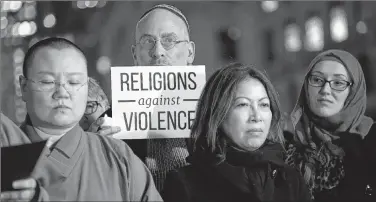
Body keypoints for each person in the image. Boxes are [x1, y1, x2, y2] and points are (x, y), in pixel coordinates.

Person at [0, 37, 162, 201]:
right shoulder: (6, 153)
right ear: (24, 87)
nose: (62, 92)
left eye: (74, 82)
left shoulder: (117, 155)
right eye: (47, 81)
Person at [162, 63, 311, 202]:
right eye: (243, 104)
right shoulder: (185, 183)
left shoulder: (290, 179)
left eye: (264, 104)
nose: (256, 116)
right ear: (217, 114)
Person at [284, 49, 376, 202]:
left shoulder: (371, 140)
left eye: (338, 83)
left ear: (353, 90)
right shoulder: (289, 151)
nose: (325, 90)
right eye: (317, 80)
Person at [127, 3, 196, 192]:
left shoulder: (217, 118)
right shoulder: (113, 125)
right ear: (135, 55)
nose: (157, 52)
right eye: (148, 41)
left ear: (190, 52)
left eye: (169, 40)